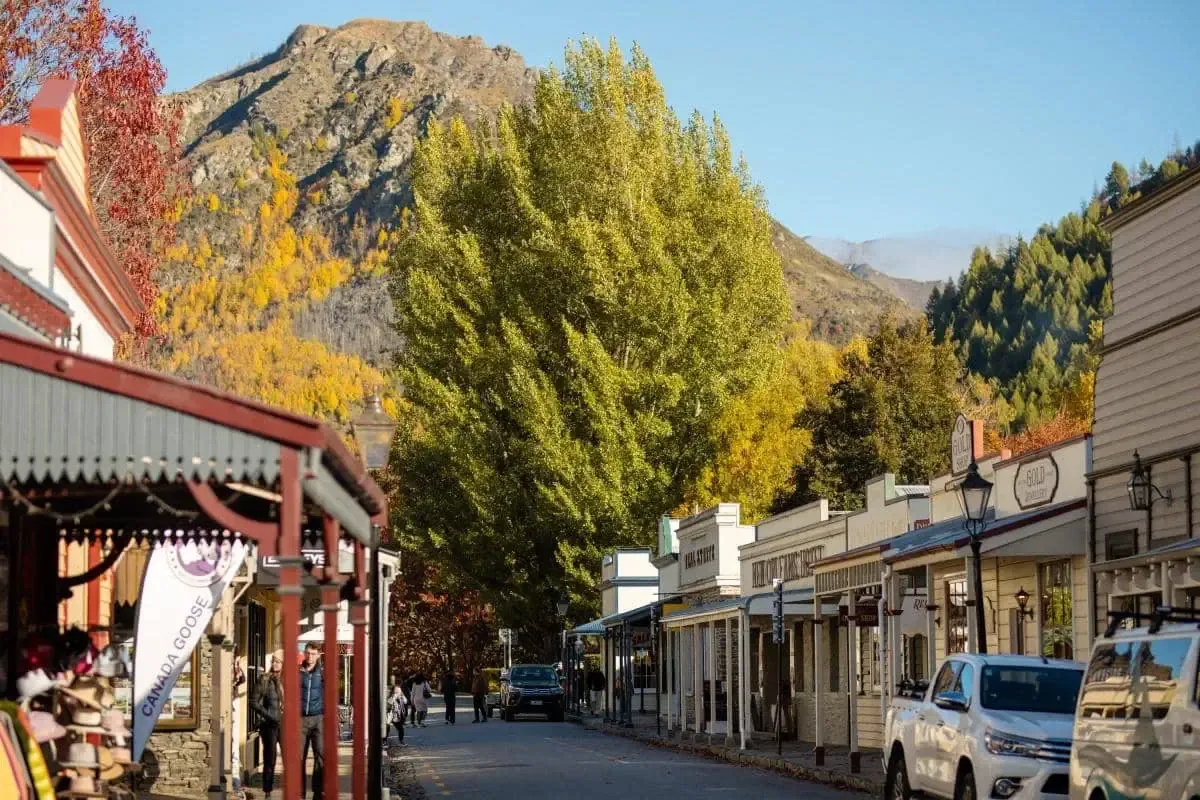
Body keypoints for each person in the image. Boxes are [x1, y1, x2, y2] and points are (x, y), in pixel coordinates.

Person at [251, 650, 284, 798]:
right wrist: (268, 715)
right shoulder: (264, 679)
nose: (274, 664)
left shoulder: (291, 679)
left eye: (278, 661)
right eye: (273, 661)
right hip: (269, 725)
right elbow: (253, 701)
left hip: (286, 724)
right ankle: (267, 792)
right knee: (270, 759)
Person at [298, 643, 325, 800]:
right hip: (300, 719)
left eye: (313, 653)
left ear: (318, 655)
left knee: (320, 756)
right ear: (304, 653)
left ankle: (317, 792)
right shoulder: (297, 671)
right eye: (308, 653)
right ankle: (300, 793)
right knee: (299, 758)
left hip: (318, 719)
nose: (310, 656)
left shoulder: (322, 673)